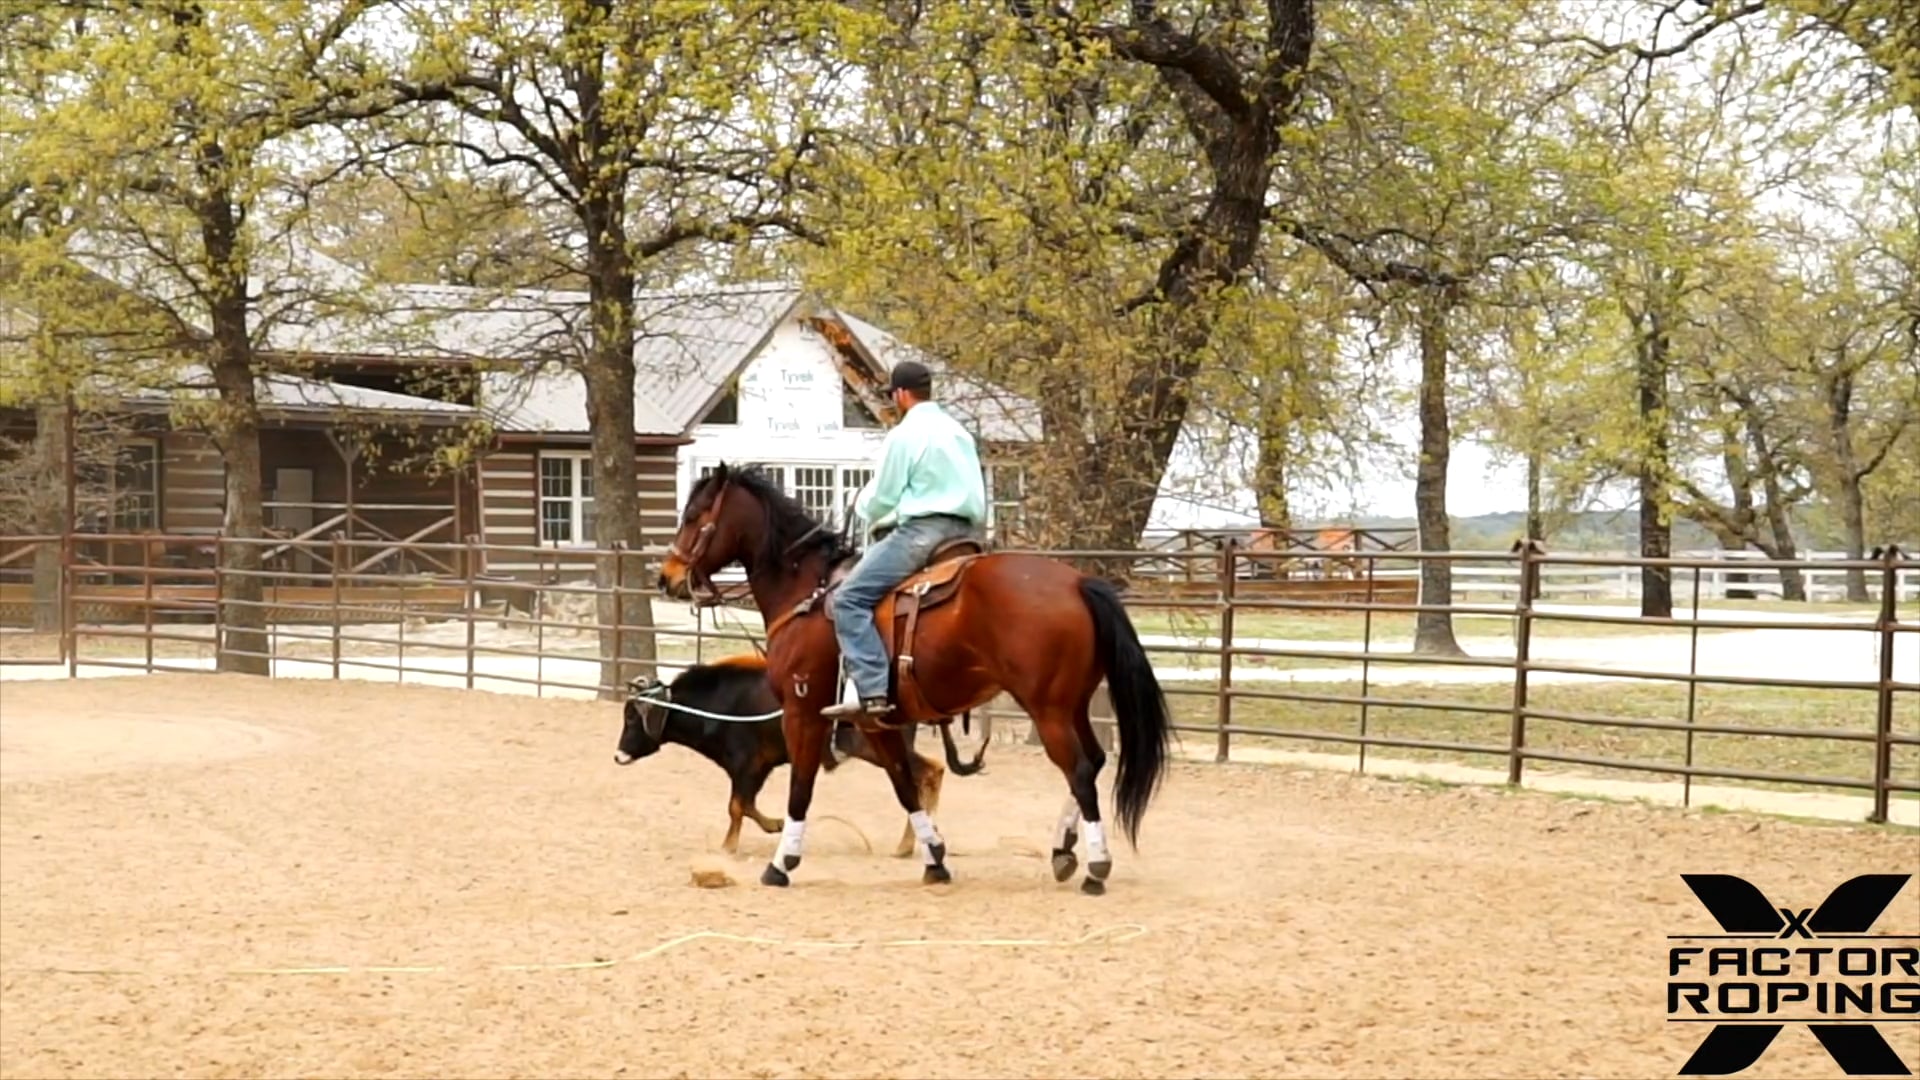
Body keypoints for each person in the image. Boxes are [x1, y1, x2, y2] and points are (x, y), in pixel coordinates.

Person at [821, 360, 987, 721]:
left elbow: (883, 496)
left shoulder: (904, 435)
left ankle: (872, 690)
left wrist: (858, 502)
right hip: (967, 535)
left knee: (849, 598)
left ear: (900, 394)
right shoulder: (960, 433)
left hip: (921, 534)